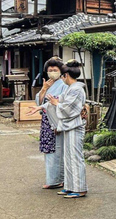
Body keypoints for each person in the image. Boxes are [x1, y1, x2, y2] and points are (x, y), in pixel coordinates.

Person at [47, 59, 87, 199]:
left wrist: (56, 103)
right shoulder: (72, 88)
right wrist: (49, 104)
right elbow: (60, 102)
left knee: (75, 158)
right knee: (68, 157)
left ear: (66, 76)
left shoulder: (76, 89)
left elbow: (68, 109)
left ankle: (80, 188)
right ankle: (70, 186)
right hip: (69, 127)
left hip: (75, 127)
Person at [27, 57, 68, 190]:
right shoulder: (48, 84)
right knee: (49, 151)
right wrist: (44, 89)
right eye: (50, 70)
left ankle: (58, 179)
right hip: (46, 121)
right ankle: (53, 178)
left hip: (56, 121)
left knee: (58, 150)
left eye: (55, 70)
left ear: (61, 71)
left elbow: (62, 104)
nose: (52, 72)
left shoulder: (64, 84)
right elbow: (39, 102)